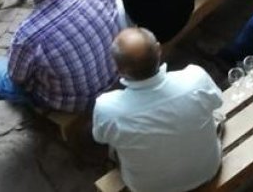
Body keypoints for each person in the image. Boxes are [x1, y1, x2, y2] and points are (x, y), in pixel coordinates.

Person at [92, 28, 221, 192]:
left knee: (115, 145)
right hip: (207, 170)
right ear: (159, 50)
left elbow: (101, 138)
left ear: (118, 70)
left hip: (149, 188)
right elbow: (217, 102)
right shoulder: (195, 78)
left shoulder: (107, 108)